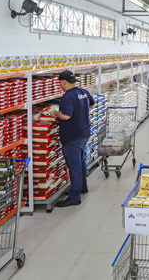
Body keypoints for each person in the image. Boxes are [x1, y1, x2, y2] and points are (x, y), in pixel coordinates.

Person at [49, 70, 95, 208]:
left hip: (73, 136)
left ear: (63, 82)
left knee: (74, 166)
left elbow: (66, 116)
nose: (60, 86)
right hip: (84, 133)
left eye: (60, 83)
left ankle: (74, 196)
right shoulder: (83, 92)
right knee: (80, 162)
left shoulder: (68, 96)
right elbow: (92, 104)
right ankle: (82, 187)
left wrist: (55, 112)